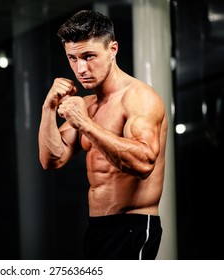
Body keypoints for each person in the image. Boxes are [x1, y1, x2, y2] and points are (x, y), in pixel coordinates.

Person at [38, 10, 168, 260]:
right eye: (73, 58)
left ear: (113, 49)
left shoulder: (138, 97)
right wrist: (48, 108)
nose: (81, 68)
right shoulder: (87, 105)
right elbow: (52, 159)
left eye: (89, 56)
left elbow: (144, 163)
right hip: (97, 228)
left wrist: (85, 124)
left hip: (133, 227)